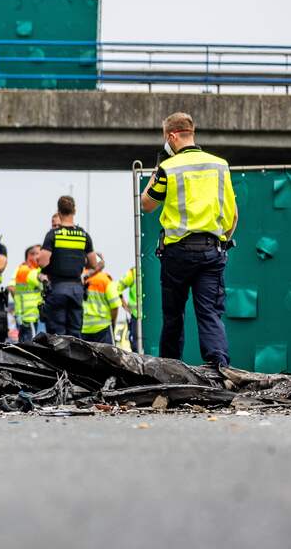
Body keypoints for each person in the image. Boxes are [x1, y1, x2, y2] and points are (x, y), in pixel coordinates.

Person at [141, 112, 237, 367]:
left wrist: (157, 168)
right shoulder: (220, 165)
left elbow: (147, 203)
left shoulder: (169, 167)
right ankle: (219, 371)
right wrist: (221, 241)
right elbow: (233, 216)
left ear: (171, 136)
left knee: (173, 316)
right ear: (191, 133)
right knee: (210, 314)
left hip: (177, 254)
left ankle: (169, 372)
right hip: (212, 251)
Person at [37, 195, 98, 338]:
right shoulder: (83, 235)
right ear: (74, 210)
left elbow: (42, 262)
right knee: (75, 333)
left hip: (57, 288)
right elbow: (94, 263)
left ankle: (58, 361)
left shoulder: (54, 235)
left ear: (58, 212)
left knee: (57, 335)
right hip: (76, 289)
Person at [12, 245, 45, 343]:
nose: (39, 257)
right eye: (36, 254)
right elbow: (45, 285)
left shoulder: (23, 269)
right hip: (29, 316)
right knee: (31, 346)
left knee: (25, 344)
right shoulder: (28, 271)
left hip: (26, 316)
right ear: (29, 256)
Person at [81, 267, 120, 344]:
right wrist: (113, 323)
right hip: (103, 328)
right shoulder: (105, 280)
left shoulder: (78, 279)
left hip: (82, 328)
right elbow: (115, 306)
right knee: (108, 355)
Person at [117, 268, 141, 352]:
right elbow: (117, 288)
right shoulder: (133, 273)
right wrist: (125, 306)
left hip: (150, 318)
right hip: (136, 316)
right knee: (136, 346)